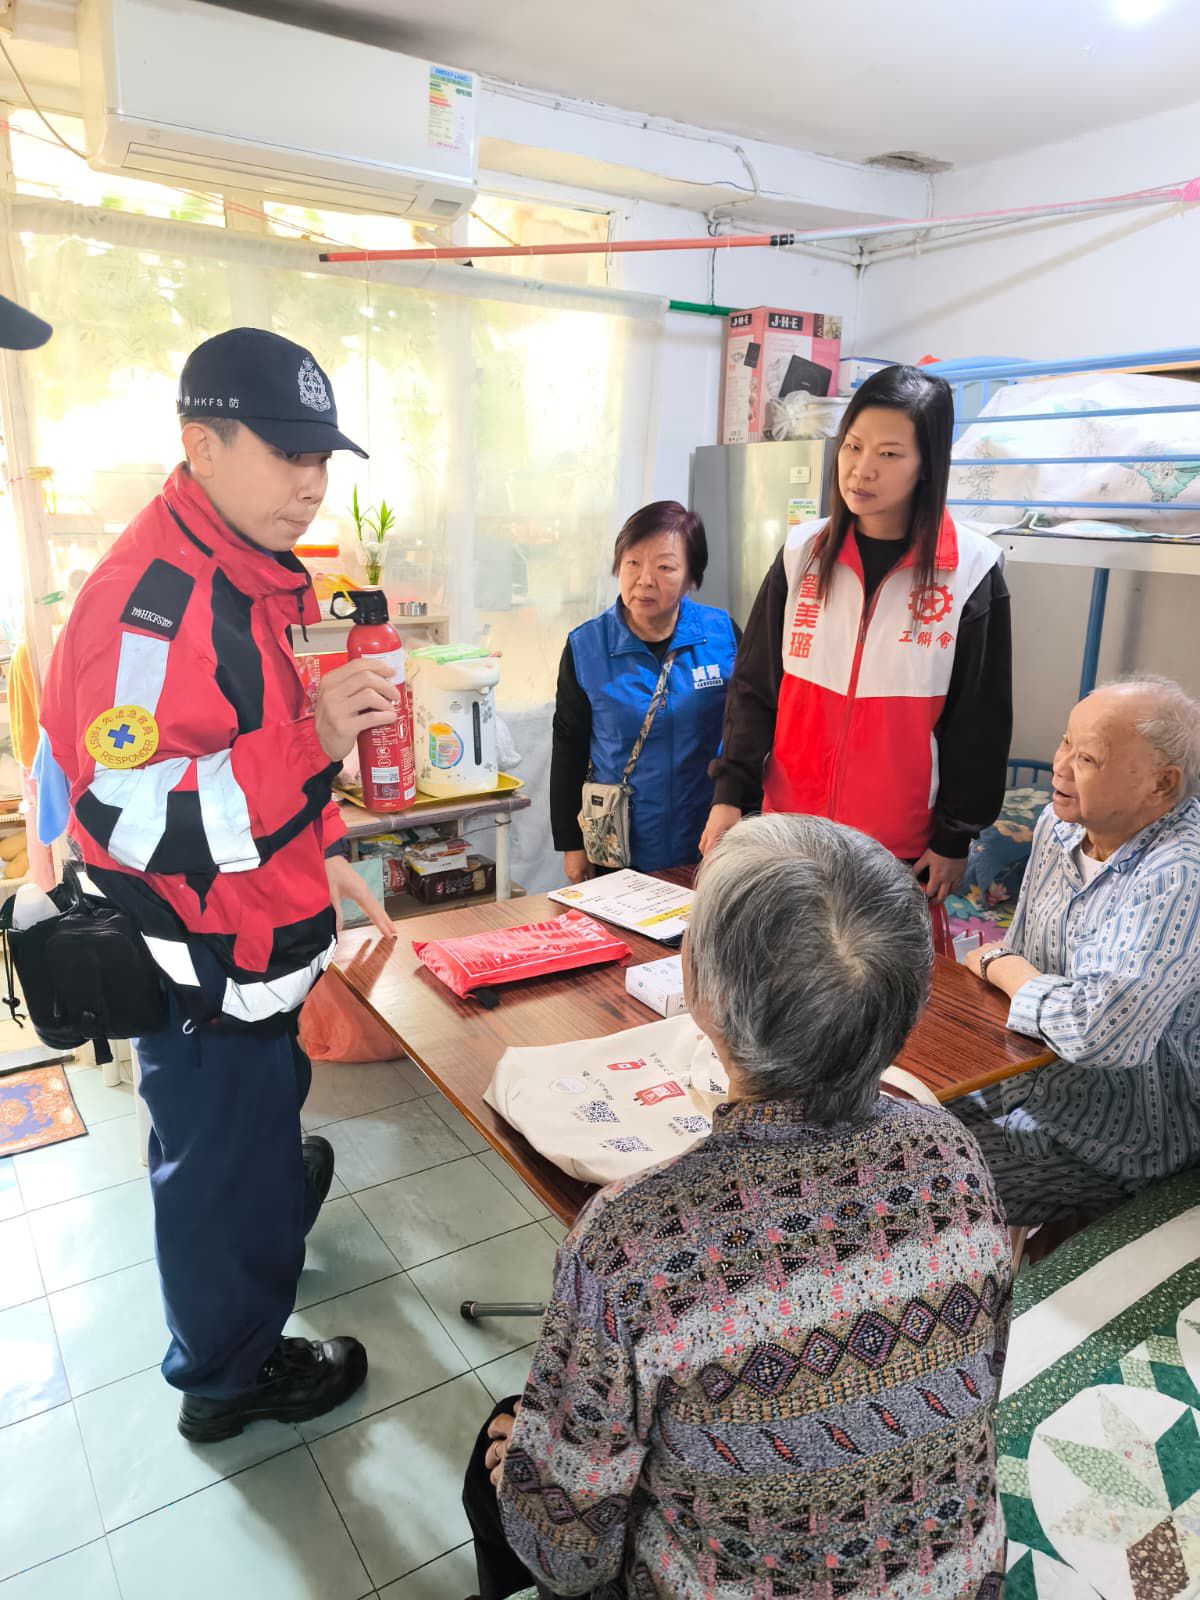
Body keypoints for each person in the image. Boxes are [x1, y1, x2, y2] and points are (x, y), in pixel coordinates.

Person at [462, 814, 1011, 1600]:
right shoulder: (953, 1152)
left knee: (505, 1468)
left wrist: (537, 1476)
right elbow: (977, 1386)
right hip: (961, 1581)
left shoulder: (628, 1239)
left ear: (702, 994)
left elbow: (567, 1556)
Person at [39, 328, 397, 1441]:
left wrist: (324, 844)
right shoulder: (150, 605)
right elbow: (126, 814)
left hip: (261, 939)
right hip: (202, 964)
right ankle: (227, 1379)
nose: (311, 482)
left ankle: (270, 1184)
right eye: (287, 454)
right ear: (203, 445)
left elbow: (251, 738)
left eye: (321, 456)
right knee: (213, 1173)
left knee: (255, 1123)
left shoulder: (249, 573)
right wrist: (314, 744)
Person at [700, 364, 1012, 903]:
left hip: (896, 847)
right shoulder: (802, 554)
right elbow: (754, 687)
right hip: (788, 831)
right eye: (853, 446)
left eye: (889, 454)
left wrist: (954, 836)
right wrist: (731, 791)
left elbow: (980, 722)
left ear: (926, 465)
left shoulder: (971, 571)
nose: (861, 470)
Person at [956, 675, 1200, 1226]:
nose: (1059, 766)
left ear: (1161, 783)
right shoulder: (1059, 826)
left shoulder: (1179, 872)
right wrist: (1011, 967)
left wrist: (1004, 967)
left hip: (1116, 1141)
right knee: (873, 1126)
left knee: (911, 1184)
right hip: (1019, 1086)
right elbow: (1024, 949)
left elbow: (1099, 1033)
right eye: (1065, 741)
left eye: (1087, 757)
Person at [550, 500, 739, 879]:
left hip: (707, 843)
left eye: (665, 567)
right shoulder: (586, 646)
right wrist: (571, 844)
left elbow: (748, 731)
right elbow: (568, 749)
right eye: (633, 562)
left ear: (692, 576)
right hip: (619, 849)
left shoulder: (723, 636)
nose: (644, 579)